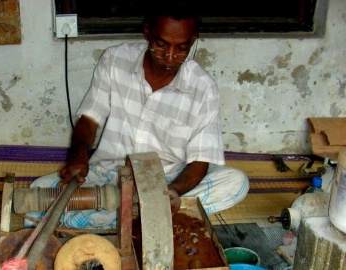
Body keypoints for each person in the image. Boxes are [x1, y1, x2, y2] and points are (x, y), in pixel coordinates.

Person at [28, 0, 249, 229]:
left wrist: (173, 191)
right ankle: (147, 220)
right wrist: (78, 155)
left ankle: (117, 220)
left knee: (236, 182)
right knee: (38, 192)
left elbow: (200, 160)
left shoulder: (203, 88)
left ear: (193, 40)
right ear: (147, 32)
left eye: (182, 48)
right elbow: (89, 120)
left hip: (166, 179)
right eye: (161, 44)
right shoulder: (115, 60)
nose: (170, 56)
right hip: (109, 175)